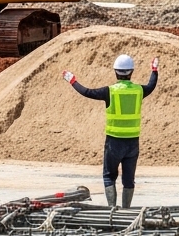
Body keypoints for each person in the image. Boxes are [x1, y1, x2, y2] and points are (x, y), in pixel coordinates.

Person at [63, 54, 159, 208]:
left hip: (114, 142)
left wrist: (72, 80)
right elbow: (152, 85)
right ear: (131, 72)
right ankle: (126, 211)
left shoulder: (110, 91)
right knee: (129, 179)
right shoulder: (139, 91)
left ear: (116, 72)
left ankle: (112, 211)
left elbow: (87, 92)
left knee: (109, 177)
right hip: (133, 142)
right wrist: (154, 70)